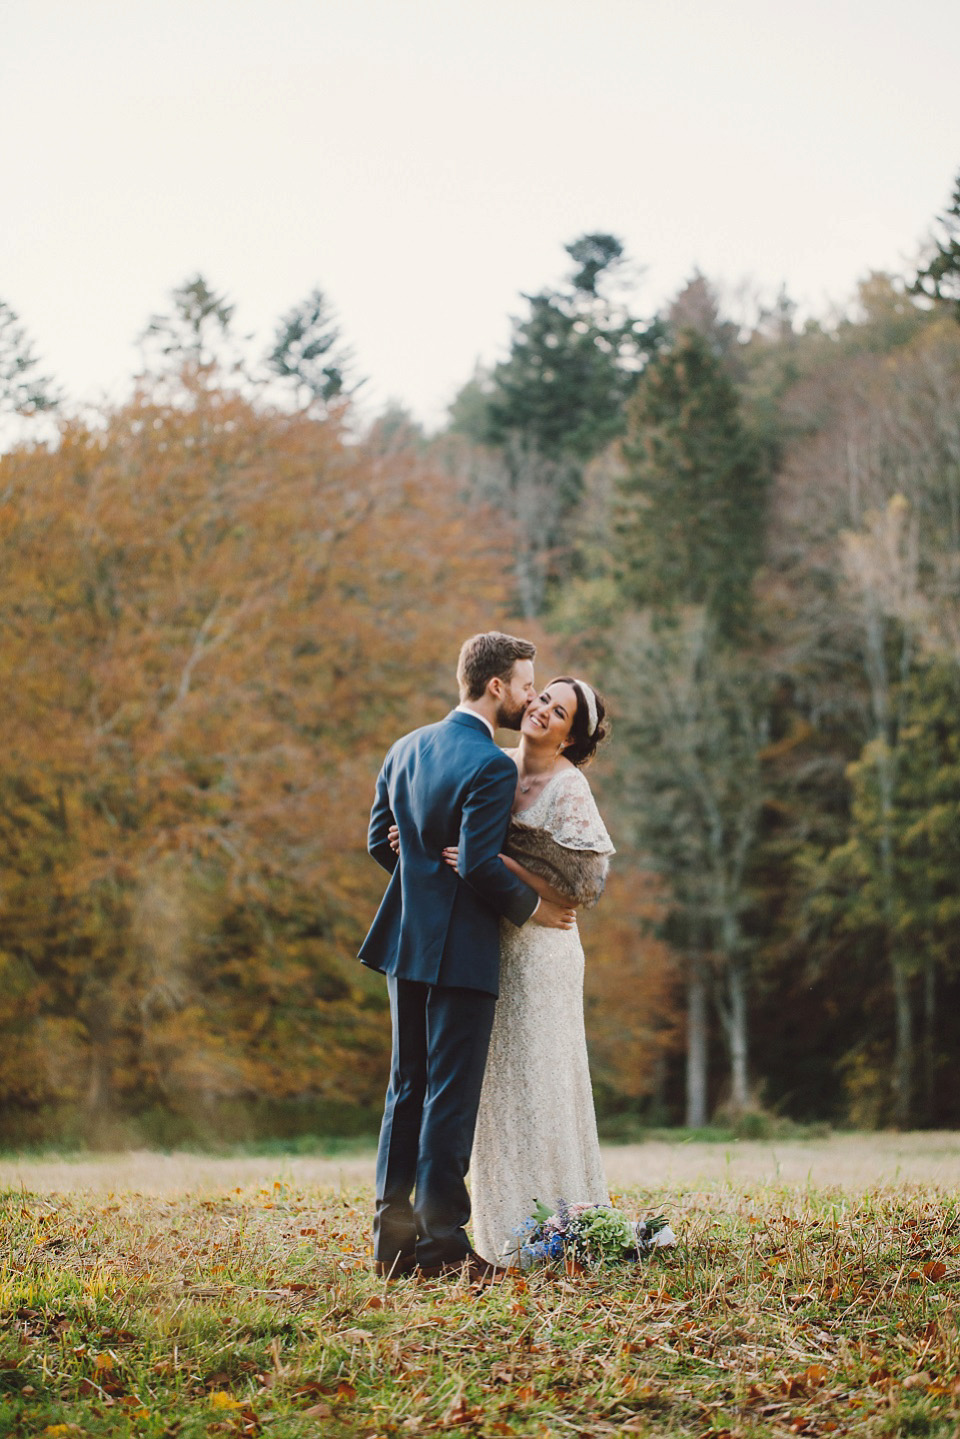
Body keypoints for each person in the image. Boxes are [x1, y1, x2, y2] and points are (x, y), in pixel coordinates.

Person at [359, 633, 576, 1283]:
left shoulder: (405, 748)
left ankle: (392, 1246)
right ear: (495, 688)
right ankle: (444, 1247)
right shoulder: (489, 765)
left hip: (405, 939)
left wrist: (419, 860)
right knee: (450, 1096)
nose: (531, 694)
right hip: (460, 949)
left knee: (407, 1089)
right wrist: (537, 911)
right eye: (526, 683)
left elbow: (380, 842)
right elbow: (479, 864)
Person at [444, 676, 616, 1266]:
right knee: (498, 1084)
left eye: (559, 711)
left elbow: (581, 887)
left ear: (572, 736)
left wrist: (494, 865)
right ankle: (503, 1234)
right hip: (491, 944)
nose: (542, 709)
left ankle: (558, 1229)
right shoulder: (492, 764)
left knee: (542, 1080)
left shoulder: (568, 788)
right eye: (542, 697)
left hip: (543, 948)